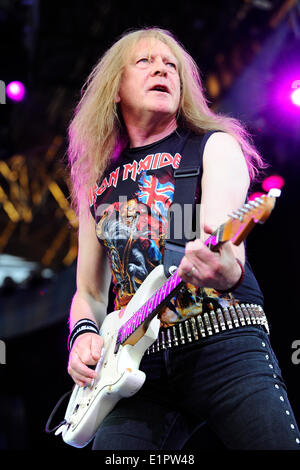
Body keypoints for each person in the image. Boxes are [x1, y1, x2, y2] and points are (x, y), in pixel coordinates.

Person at [66, 27, 300, 450]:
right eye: (145, 62)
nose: (162, 69)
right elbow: (88, 290)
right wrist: (83, 334)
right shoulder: (96, 184)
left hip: (225, 343)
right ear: (115, 90)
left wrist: (224, 267)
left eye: (171, 65)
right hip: (138, 368)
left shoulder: (212, 148)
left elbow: (223, 247)